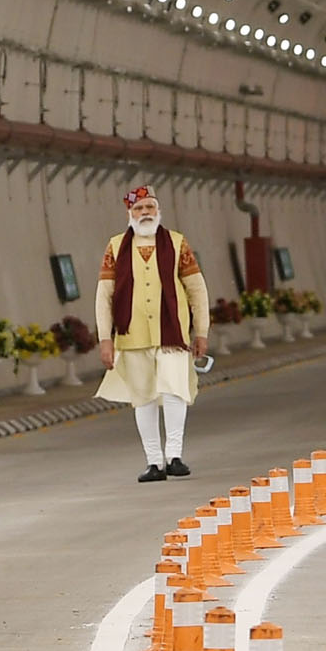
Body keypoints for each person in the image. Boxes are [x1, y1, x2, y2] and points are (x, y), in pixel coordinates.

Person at [96, 185, 210, 482]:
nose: (145, 213)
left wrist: (201, 330)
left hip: (172, 333)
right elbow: (104, 295)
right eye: (139, 208)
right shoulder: (116, 246)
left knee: (174, 391)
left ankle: (174, 455)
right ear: (129, 214)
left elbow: (196, 289)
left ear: (158, 211)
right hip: (132, 335)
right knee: (143, 397)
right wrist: (105, 338)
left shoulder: (177, 243)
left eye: (150, 207)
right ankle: (153, 462)